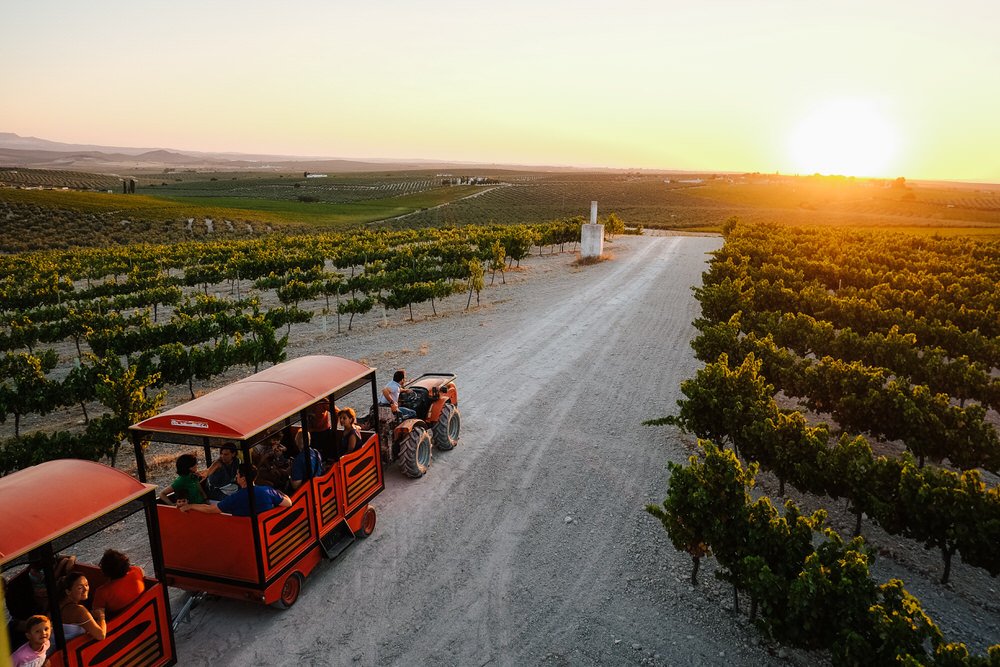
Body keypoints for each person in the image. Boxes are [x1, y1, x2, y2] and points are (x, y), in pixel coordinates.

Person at [180, 463, 291, 517]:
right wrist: (279, 492)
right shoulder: (267, 491)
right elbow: (288, 503)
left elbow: (210, 509)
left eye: (237, 475)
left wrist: (190, 506)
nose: (236, 477)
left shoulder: (236, 498)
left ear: (243, 478)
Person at [90, 550, 145, 617]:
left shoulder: (102, 592)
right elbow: (142, 573)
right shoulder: (137, 571)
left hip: (123, 620)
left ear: (104, 570)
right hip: (143, 611)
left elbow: (96, 614)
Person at [57, 572, 105, 641]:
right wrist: (101, 616)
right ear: (68, 591)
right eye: (80, 588)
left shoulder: (59, 603)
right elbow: (101, 636)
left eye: (86, 585)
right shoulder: (79, 610)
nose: (86, 589)